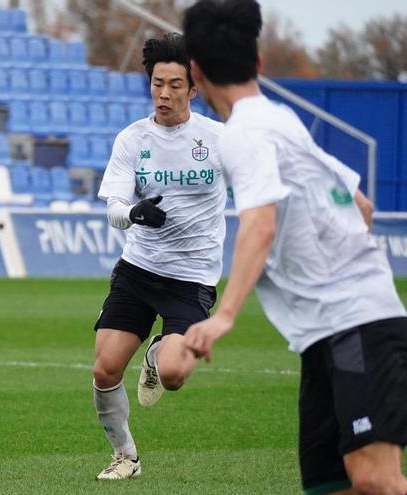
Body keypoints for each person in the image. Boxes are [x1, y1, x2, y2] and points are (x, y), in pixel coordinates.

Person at [181, 1, 407, 494]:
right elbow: (362, 206)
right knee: (329, 485)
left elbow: (259, 224)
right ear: (258, 63)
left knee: (376, 481)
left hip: (354, 327)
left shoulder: (243, 134)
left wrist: (224, 316)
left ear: (194, 72)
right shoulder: (280, 118)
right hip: (327, 332)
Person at [92, 33, 227, 480]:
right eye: (156, 84)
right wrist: (134, 212)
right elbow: (112, 206)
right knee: (105, 368)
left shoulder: (219, 140)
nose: (164, 93)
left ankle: (156, 358)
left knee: (172, 374)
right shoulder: (133, 139)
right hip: (139, 269)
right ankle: (126, 457)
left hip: (191, 278)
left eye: (174, 84)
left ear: (193, 88)